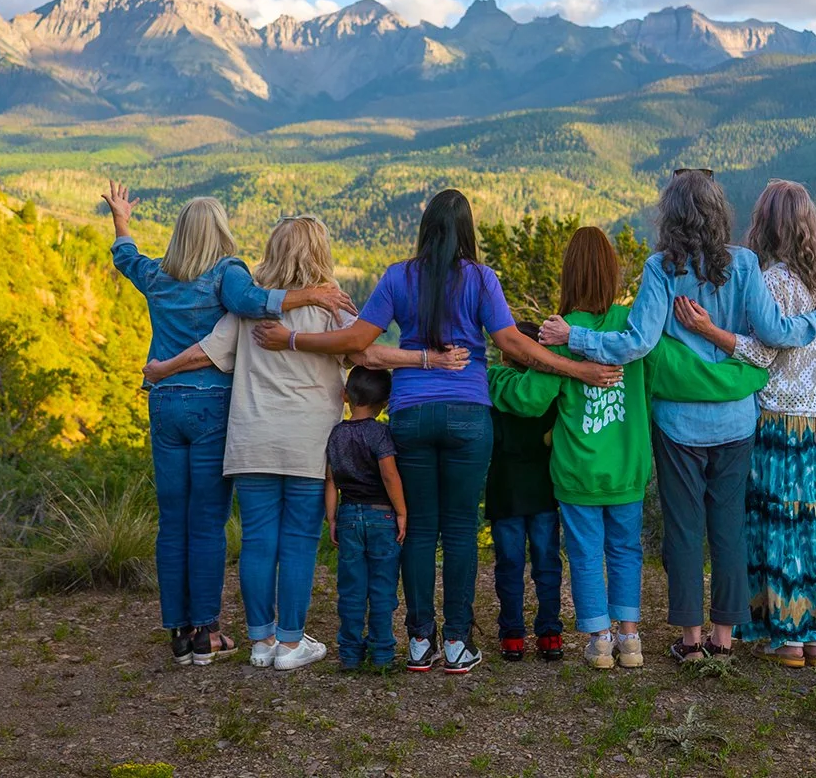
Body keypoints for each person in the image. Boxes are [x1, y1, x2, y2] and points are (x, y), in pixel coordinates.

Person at [249, 188, 623, 675]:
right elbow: (514, 344)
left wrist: (292, 338)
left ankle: (420, 640)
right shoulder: (481, 280)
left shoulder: (399, 277)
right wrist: (579, 371)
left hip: (411, 413)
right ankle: (456, 643)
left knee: (420, 528)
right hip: (469, 414)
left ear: (426, 227)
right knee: (462, 531)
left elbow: (359, 341)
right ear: (468, 231)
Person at [141, 215, 465, 672]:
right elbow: (369, 354)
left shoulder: (248, 308)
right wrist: (430, 360)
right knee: (297, 541)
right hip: (308, 444)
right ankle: (291, 644)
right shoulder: (332, 310)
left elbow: (205, 353)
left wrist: (161, 370)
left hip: (251, 439)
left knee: (256, 541)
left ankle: (261, 641)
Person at [540, 170, 816, 662]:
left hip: (678, 424)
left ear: (670, 216)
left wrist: (576, 337)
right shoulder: (743, 264)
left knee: (682, 528)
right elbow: (775, 333)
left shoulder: (661, 269)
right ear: (720, 211)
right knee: (728, 528)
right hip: (738, 422)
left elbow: (636, 343)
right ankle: (724, 638)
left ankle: (691, 641)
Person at [103, 181, 355, 667]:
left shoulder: (156, 275)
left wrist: (121, 221)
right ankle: (213, 632)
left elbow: (125, 257)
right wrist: (317, 295)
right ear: (219, 233)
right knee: (210, 523)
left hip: (170, 405)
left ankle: (185, 632)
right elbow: (256, 304)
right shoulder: (228, 275)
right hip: (216, 409)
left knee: (175, 521)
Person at [495, 226, 770, 669]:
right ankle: (631, 639)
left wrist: (494, 376)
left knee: (585, 554)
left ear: (569, 277)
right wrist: (754, 376)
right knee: (626, 551)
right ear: (614, 274)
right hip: (628, 471)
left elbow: (528, 399)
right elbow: (691, 376)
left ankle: (599, 641)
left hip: (578, 473)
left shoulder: (563, 334)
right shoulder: (638, 330)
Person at [674, 180, 816, 666]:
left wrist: (708, 331)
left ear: (765, 223)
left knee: (781, 522)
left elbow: (762, 352)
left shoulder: (772, 279)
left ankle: (788, 635)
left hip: (780, 416)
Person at [485, 322, 563, 663]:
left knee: (509, 564)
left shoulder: (492, 386)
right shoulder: (550, 391)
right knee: (546, 563)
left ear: (506, 353)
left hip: (504, 486)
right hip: (543, 487)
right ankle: (549, 633)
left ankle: (512, 635)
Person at [326, 366, 408, 671]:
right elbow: (389, 475)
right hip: (381, 516)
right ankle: (383, 653)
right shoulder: (380, 432)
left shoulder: (336, 433)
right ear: (385, 402)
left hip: (347, 515)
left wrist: (332, 517)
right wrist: (401, 511)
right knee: (383, 587)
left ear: (345, 396)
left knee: (351, 588)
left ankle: (349, 652)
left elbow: (331, 479)